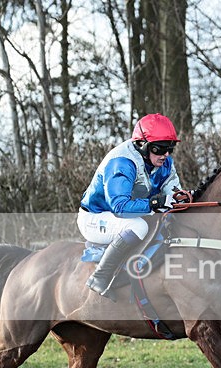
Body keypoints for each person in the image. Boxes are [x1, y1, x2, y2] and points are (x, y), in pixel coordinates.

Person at [77, 113, 182, 299]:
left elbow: (173, 191)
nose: (165, 155)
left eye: (170, 149)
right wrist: (156, 203)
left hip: (128, 214)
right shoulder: (122, 163)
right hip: (97, 216)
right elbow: (120, 206)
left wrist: (179, 199)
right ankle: (100, 277)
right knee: (138, 226)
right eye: (160, 149)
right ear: (142, 145)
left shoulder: (164, 162)